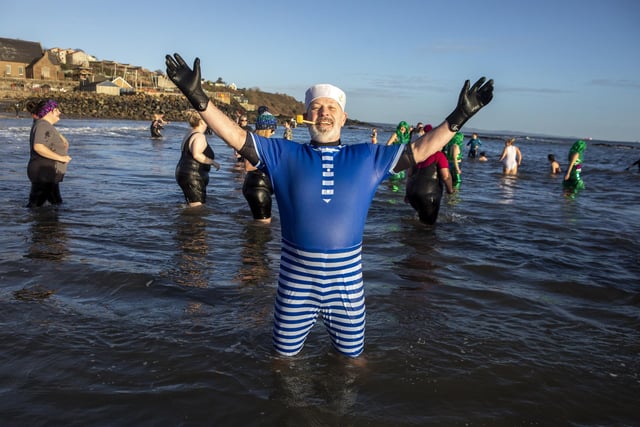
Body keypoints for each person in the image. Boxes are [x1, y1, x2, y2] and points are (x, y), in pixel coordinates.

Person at [165, 52, 493, 358]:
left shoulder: (368, 157)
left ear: (344, 118)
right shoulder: (283, 154)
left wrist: (459, 116)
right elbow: (236, 136)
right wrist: (199, 98)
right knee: (282, 365)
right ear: (307, 115)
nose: (324, 113)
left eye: (331, 108)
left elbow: (420, 149)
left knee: (352, 367)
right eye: (318, 107)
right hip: (295, 290)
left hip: (347, 293)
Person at [26, 99, 72, 208]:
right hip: (43, 172)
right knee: (36, 206)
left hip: (48, 173)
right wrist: (61, 158)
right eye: (56, 110)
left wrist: (61, 138)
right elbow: (38, 147)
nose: (59, 112)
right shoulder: (42, 125)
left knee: (56, 204)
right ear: (49, 111)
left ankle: (49, 224)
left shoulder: (44, 125)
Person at [175, 110, 220, 207]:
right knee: (197, 209)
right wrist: (212, 162)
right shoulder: (199, 136)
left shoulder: (189, 133)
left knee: (191, 204)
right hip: (193, 175)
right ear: (202, 121)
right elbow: (196, 154)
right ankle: (193, 222)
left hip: (183, 172)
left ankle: (184, 220)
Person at [243, 107, 275, 223]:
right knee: (263, 226)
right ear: (268, 129)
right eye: (273, 129)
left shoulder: (261, 141)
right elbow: (247, 166)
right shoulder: (255, 142)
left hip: (257, 187)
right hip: (257, 188)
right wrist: (270, 161)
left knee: (258, 223)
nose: (274, 133)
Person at [405, 150, 454, 225]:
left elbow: (409, 174)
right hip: (429, 194)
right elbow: (446, 177)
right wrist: (450, 189)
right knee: (428, 225)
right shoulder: (438, 155)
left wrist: (407, 193)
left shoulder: (417, 154)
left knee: (421, 218)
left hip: (412, 192)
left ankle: (413, 234)